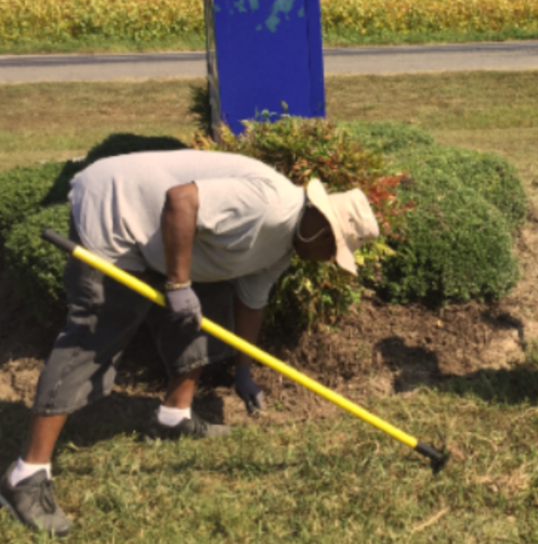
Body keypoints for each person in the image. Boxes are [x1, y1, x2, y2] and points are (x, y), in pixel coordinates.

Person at [0, 149, 380, 536]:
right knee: (96, 333)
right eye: (331, 250)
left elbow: (251, 302)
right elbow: (181, 199)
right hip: (117, 209)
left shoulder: (284, 248)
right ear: (319, 227)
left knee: (208, 308)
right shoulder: (269, 205)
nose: (326, 260)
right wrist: (180, 284)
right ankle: (25, 475)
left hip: (161, 232)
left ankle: (173, 418)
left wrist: (243, 371)